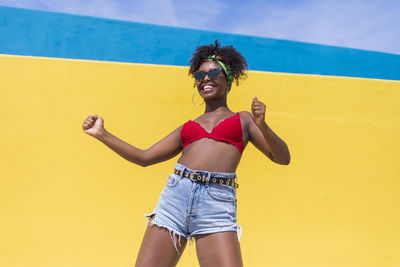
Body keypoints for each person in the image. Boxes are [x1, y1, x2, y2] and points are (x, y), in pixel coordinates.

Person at [82, 40, 290, 267]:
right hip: (174, 200)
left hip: (216, 206)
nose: (206, 79)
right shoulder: (187, 127)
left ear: (228, 78)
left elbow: (283, 158)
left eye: (213, 72)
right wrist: (102, 133)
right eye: (200, 76)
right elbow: (144, 158)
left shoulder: (244, 120)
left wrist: (263, 126)